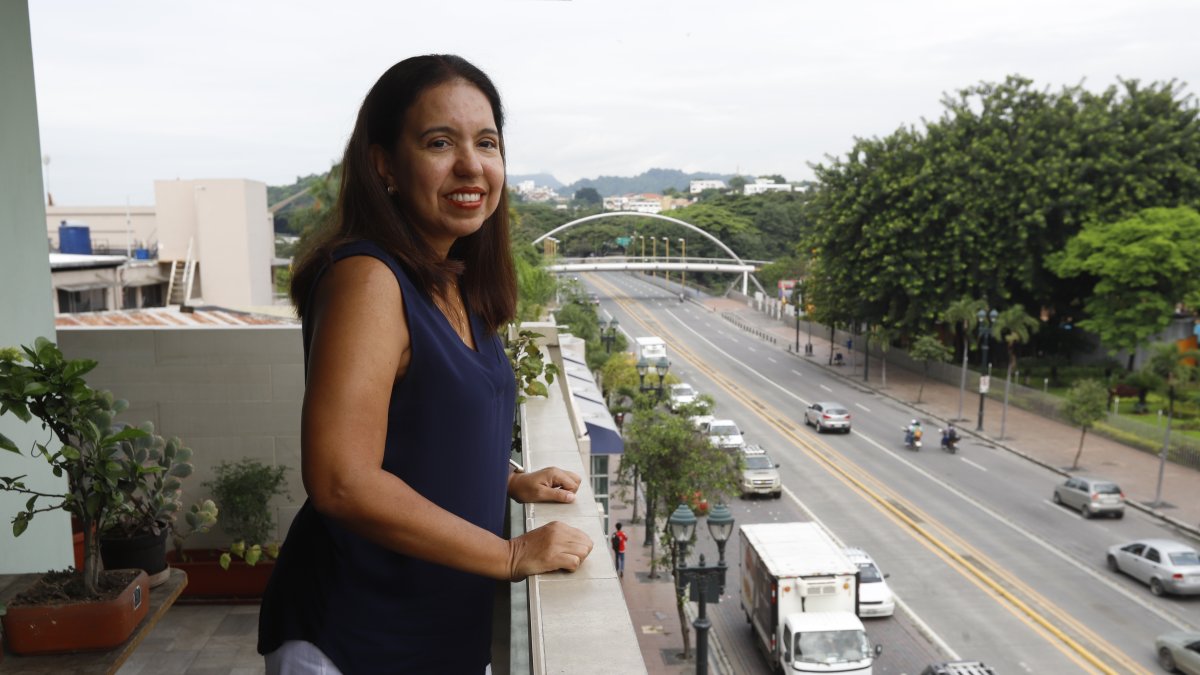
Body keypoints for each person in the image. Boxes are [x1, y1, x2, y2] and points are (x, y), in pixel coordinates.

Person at [257, 55, 593, 675]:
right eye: (440, 142)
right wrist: (512, 554)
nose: (471, 165)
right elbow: (342, 480)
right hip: (356, 637)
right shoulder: (368, 278)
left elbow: (425, 427)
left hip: (439, 634)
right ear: (384, 164)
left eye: (486, 142)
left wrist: (505, 478)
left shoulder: (454, 278)